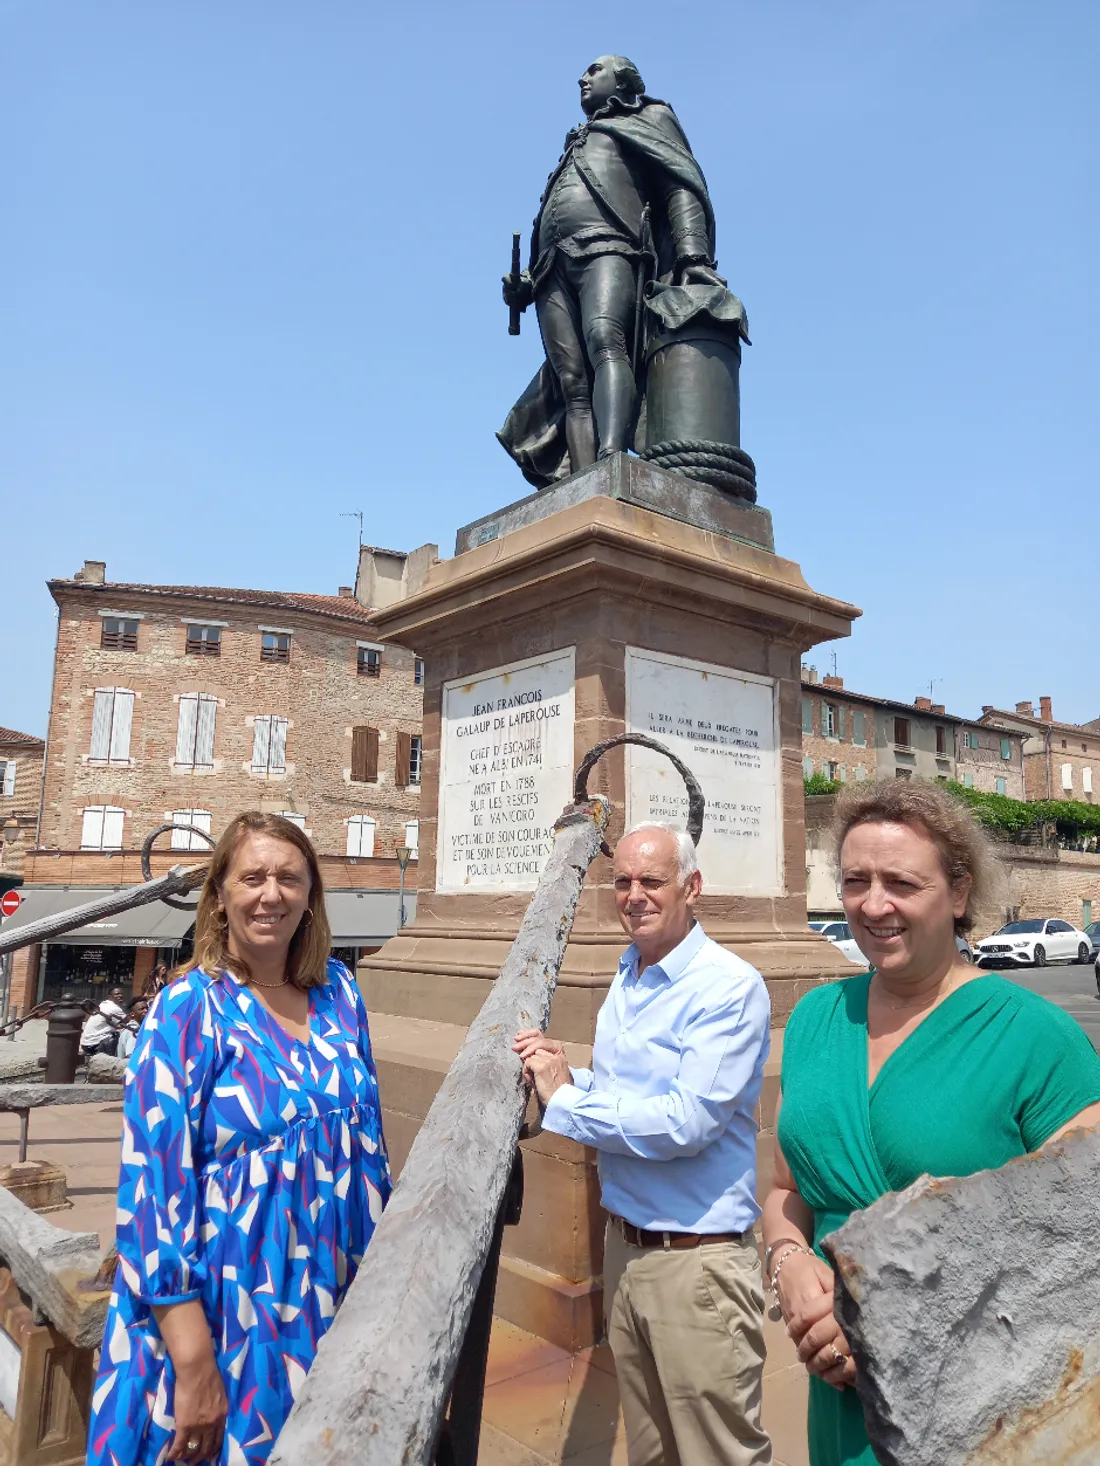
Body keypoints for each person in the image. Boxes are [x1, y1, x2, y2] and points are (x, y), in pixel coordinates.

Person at [763, 781, 1100, 1466]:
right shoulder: (813, 1021)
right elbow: (786, 1191)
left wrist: (887, 1314)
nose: (873, 903)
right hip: (836, 1393)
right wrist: (789, 1261)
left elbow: (1079, 1246)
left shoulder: (1037, 1037)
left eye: (902, 883)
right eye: (855, 880)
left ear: (959, 894)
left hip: (976, 1408)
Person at [87, 813, 391, 1466]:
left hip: (325, 1298)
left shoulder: (340, 995)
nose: (270, 894)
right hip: (221, 1310)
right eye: (252, 877)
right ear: (220, 895)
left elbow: (370, 1155)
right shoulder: (188, 1009)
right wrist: (193, 1358)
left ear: (311, 895)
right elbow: (152, 1189)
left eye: (289, 878)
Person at [514, 821, 772, 1466]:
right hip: (626, 1252)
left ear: (693, 888)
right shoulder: (628, 975)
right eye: (622, 880)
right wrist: (573, 1077)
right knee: (651, 1451)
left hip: (698, 1266)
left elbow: (686, 1122)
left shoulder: (727, 987)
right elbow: (635, 1089)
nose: (634, 895)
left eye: (652, 881)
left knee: (718, 1453)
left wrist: (566, 1103)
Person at [499, 56, 736, 485]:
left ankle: (612, 461)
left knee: (606, 341)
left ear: (623, 80)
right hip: (552, 270)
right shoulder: (575, 142)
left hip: (611, 249)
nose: (582, 78)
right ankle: (583, 481)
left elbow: (680, 184)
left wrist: (693, 257)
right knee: (570, 380)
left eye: (594, 70)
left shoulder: (651, 117)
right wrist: (526, 284)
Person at [80, 986, 127, 1058]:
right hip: (94, 1045)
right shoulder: (114, 1008)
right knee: (122, 1035)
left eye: (121, 994)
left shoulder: (103, 1004)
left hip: (85, 1043)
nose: (120, 996)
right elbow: (130, 1022)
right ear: (109, 996)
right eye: (117, 994)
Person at [116, 995, 150, 1061]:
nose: (146, 1011)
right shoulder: (133, 1030)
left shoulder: (134, 1027)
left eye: (147, 1008)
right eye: (141, 1009)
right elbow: (130, 1056)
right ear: (132, 1014)